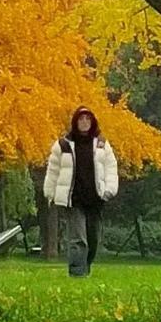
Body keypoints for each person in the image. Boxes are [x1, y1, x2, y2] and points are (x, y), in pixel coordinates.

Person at [43, 106, 118, 277]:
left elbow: (110, 168)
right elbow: (53, 170)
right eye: (81, 119)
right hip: (73, 199)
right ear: (75, 122)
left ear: (92, 122)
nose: (84, 122)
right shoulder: (63, 145)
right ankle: (77, 273)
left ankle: (86, 267)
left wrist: (109, 190)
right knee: (78, 239)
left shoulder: (102, 144)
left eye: (87, 119)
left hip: (95, 198)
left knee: (92, 240)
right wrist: (50, 193)